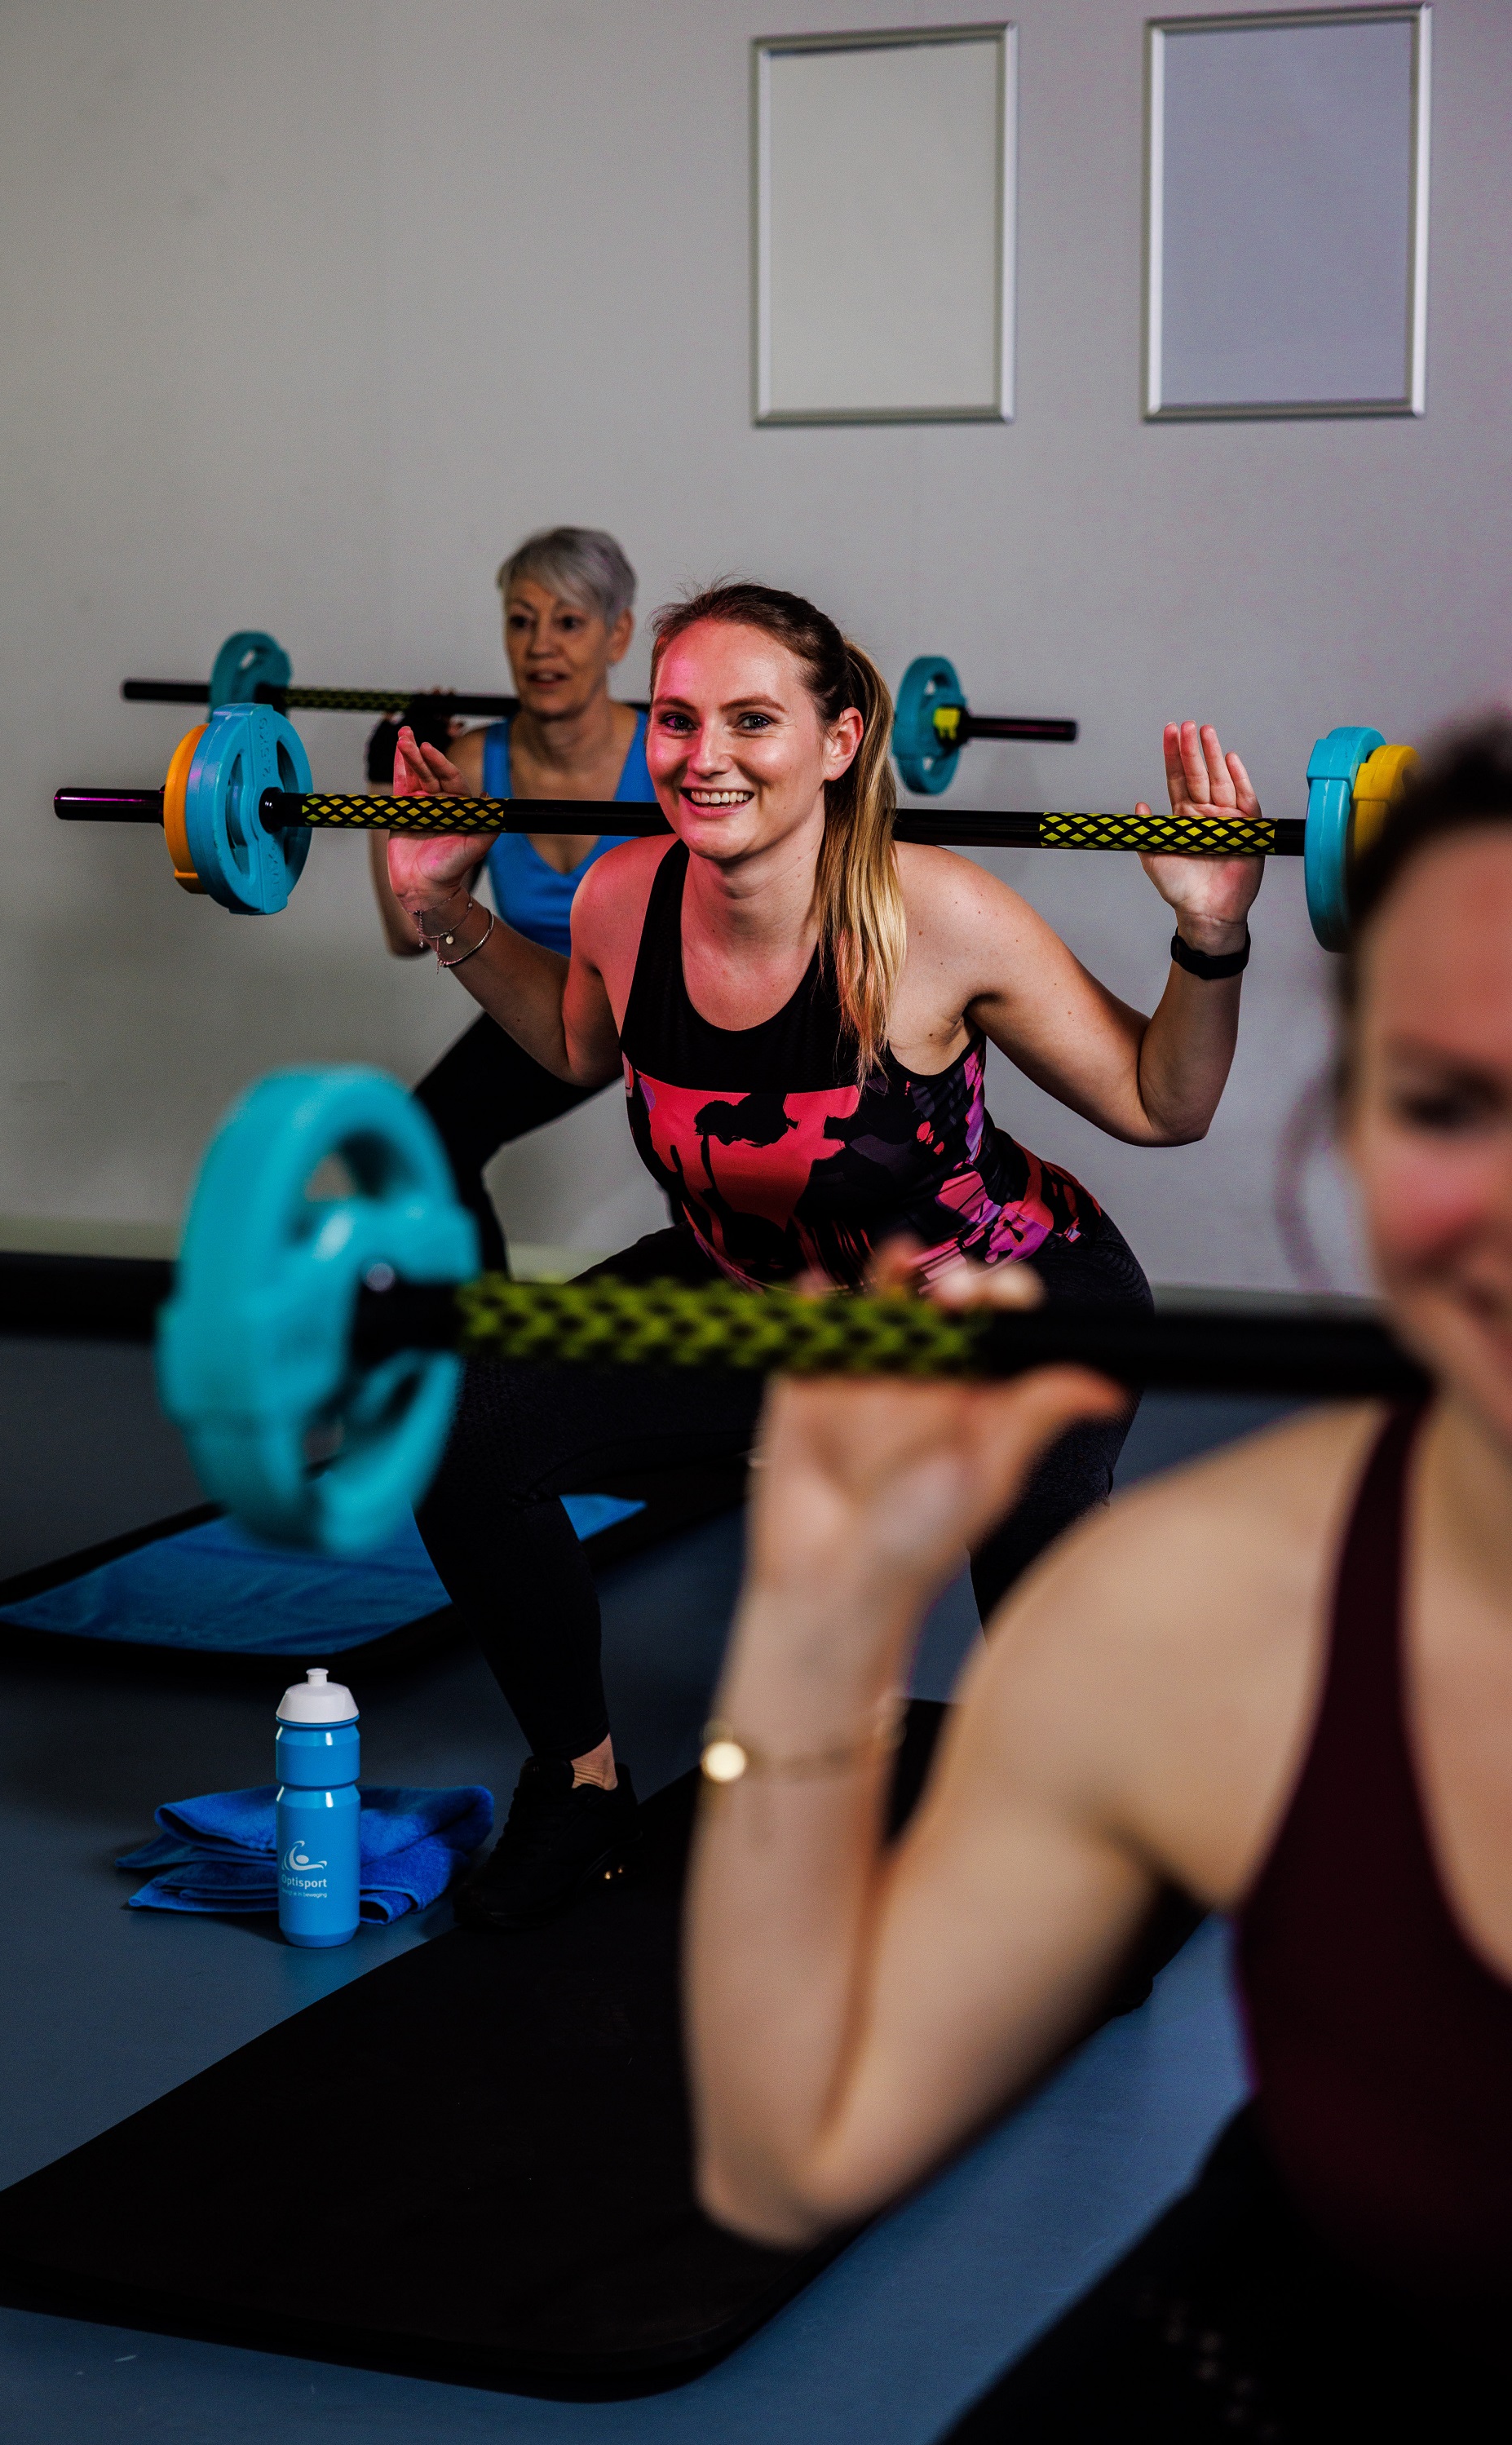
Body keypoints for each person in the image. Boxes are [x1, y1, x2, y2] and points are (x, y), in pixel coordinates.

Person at [685, 724, 1512, 2431]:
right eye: (1445, 1104)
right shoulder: (1192, 1613)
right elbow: (792, 2146)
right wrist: (818, 1617)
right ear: (1349, 1143)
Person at [387, 579, 1262, 1931]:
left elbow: (1164, 1101)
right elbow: (575, 1043)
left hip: (1000, 1287)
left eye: (752, 719)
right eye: (677, 719)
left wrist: (1211, 936)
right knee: (463, 1431)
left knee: (1027, 1564)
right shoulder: (623, 895)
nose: (704, 755)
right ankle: (581, 1786)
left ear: (843, 739)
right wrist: (448, 908)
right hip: (757, 1293)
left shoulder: (936, 917)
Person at [367, 525, 651, 1271]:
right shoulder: (471, 765)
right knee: (426, 1138)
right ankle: (493, 1351)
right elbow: (407, 934)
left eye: (569, 622)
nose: (541, 648)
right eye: (521, 622)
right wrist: (382, 789)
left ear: (618, 634)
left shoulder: (672, 758)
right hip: (549, 997)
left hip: (666, 1000)